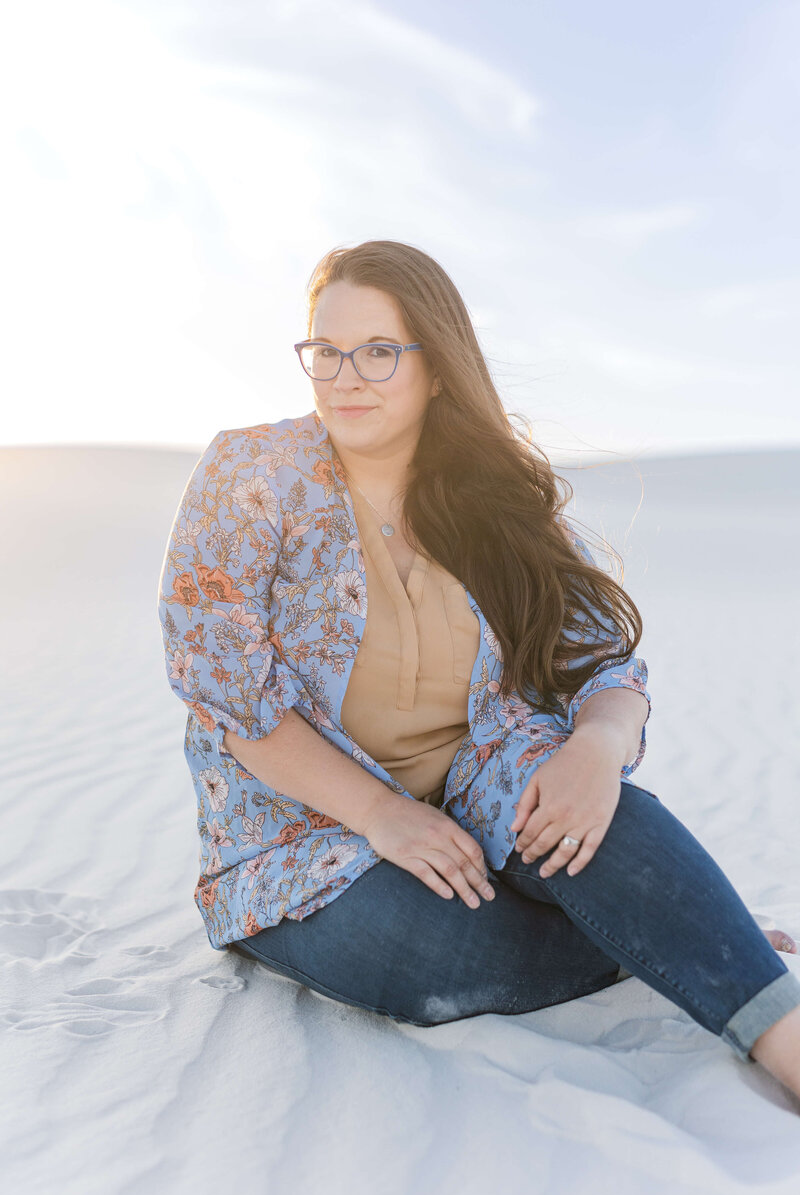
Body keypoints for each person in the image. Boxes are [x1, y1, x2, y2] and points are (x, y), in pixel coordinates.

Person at [158, 239, 800, 1102]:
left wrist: (597, 751)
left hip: (479, 784)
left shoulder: (499, 497)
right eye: (326, 350)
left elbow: (605, 664)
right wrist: (383, 815)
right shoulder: (250, 474)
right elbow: (231, 700)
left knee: (595, 818)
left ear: (436, 365)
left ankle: (779, 1033)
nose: (345, 377)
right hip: (303, 832)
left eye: (379, 351)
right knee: (427, 950)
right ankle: (681, 939)